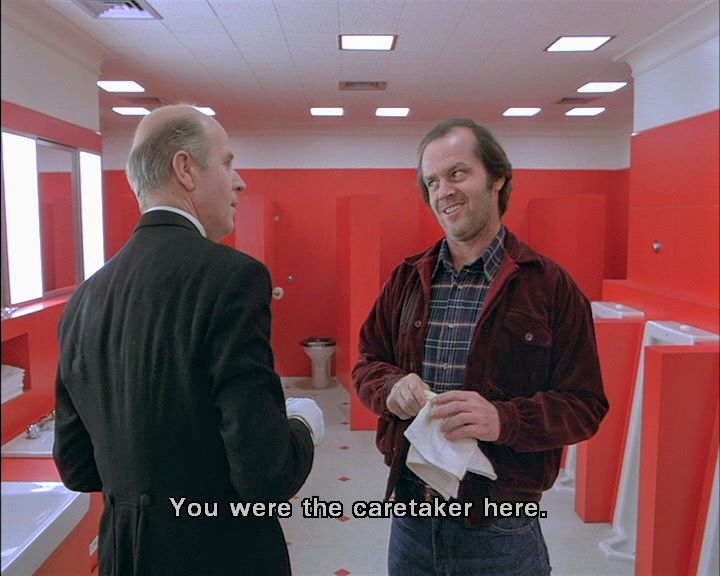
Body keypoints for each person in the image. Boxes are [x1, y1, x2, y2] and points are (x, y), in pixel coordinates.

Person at [53, 104, 324, 576]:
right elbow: (266, 475)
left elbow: (77, 466)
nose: (240, 182)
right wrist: (304, 424)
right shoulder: (232, 279)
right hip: (218, 555)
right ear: (185, 169)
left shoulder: (84, 298)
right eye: (227, 162)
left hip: (125, 555)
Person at [353, 118, 608, 575]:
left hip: (501, 526)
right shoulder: (406, 279)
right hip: (412, 516)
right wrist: (391, 387)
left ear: (498, 178)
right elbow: (367, 364)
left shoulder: (550, 287)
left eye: (457, 173)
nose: (443, 191)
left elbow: (584, 405)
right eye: (432, 182)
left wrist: (504, 420)